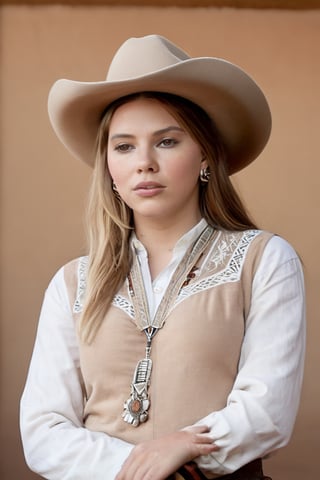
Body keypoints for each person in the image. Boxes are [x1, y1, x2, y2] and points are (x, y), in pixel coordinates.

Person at [20, 35, 305, 480]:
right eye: (125, 146)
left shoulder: (264, 260)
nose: (144, 163)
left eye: (167, 142)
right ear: (109, 170)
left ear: (206, 156)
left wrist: (182, 460)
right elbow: (43, 430)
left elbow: (267, 412)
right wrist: (140, 467)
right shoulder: (72, 283)